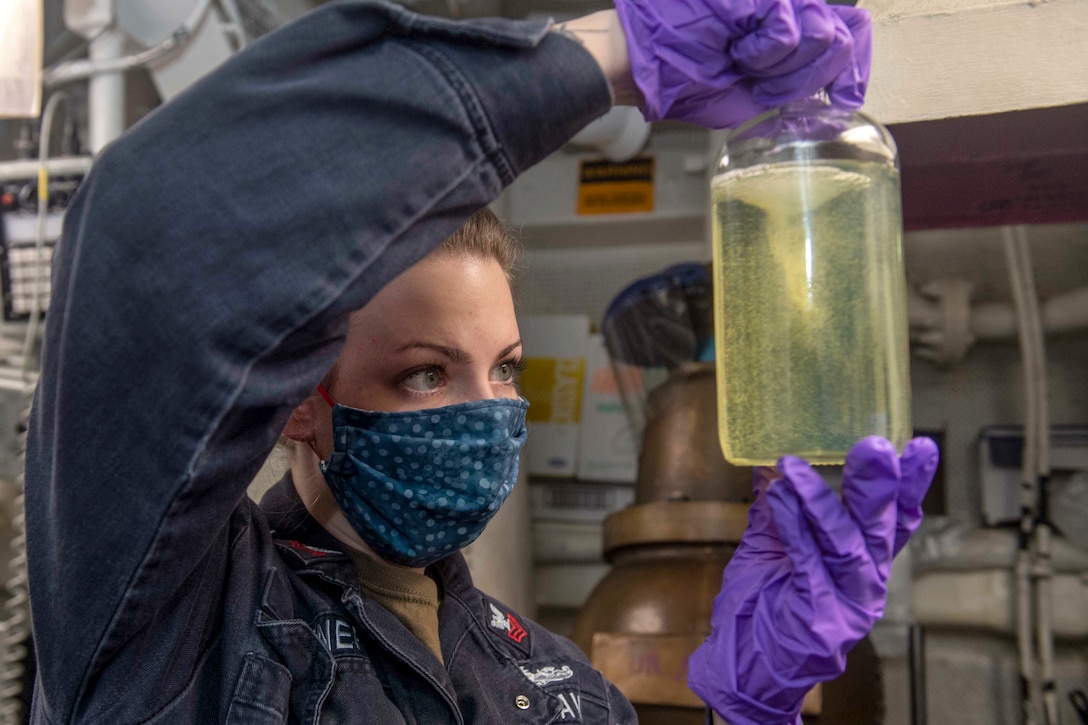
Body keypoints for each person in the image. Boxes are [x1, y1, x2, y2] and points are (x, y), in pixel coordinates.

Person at [23, 1, 938, 724]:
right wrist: (608, 54)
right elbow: (145, 220)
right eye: (424, 372)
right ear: (301, 396)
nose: (485, 410)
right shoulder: (170, 629)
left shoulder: (559, 686)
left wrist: (751, 709)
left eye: (504, 369)